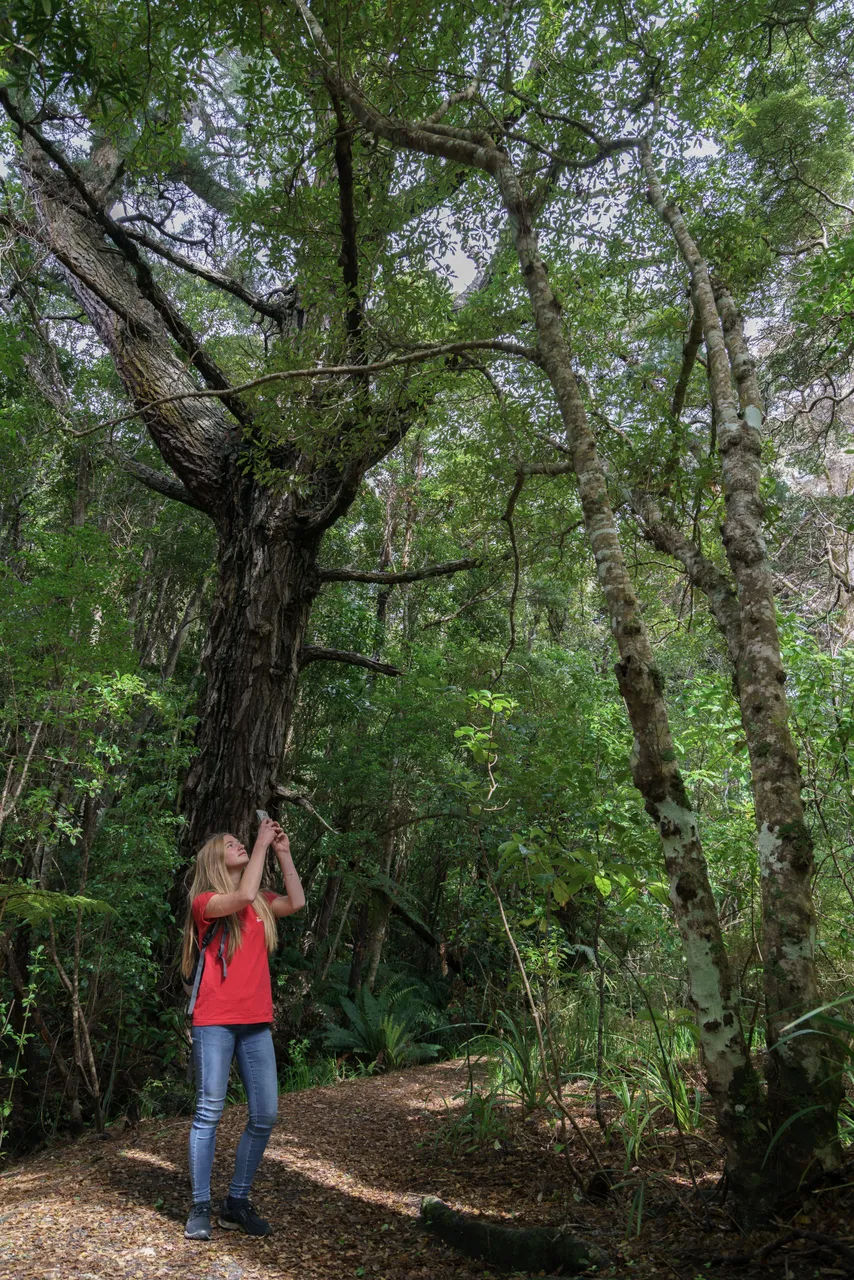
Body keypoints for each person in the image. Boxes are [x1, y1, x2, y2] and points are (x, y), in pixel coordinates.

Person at [180, 817, 305, 1241]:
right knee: (209, 1112)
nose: (239, 846)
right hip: (214, 1021)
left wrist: (283, 851)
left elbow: (298, 901)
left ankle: (236, 1201)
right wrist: (262, 841)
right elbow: (245, 893)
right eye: (231, 844)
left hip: (255, 1024)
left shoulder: (260, 903)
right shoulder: (206, 901)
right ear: (217, 860)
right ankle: (199, 1205)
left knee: (265, 1113)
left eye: (240, 842)